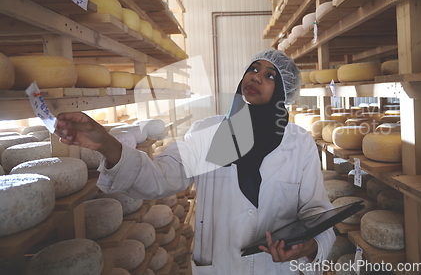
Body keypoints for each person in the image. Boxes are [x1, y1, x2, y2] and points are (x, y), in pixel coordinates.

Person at [55, 49, 336, 275]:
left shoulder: (299, 144)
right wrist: (107, 144)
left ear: (284, 91)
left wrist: (310, 247)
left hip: (277, 269)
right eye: (253, 69)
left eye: (270, 75)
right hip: (220, 267)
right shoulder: (212, 132)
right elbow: (160, 178)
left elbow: (317, 212)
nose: (257, 77)